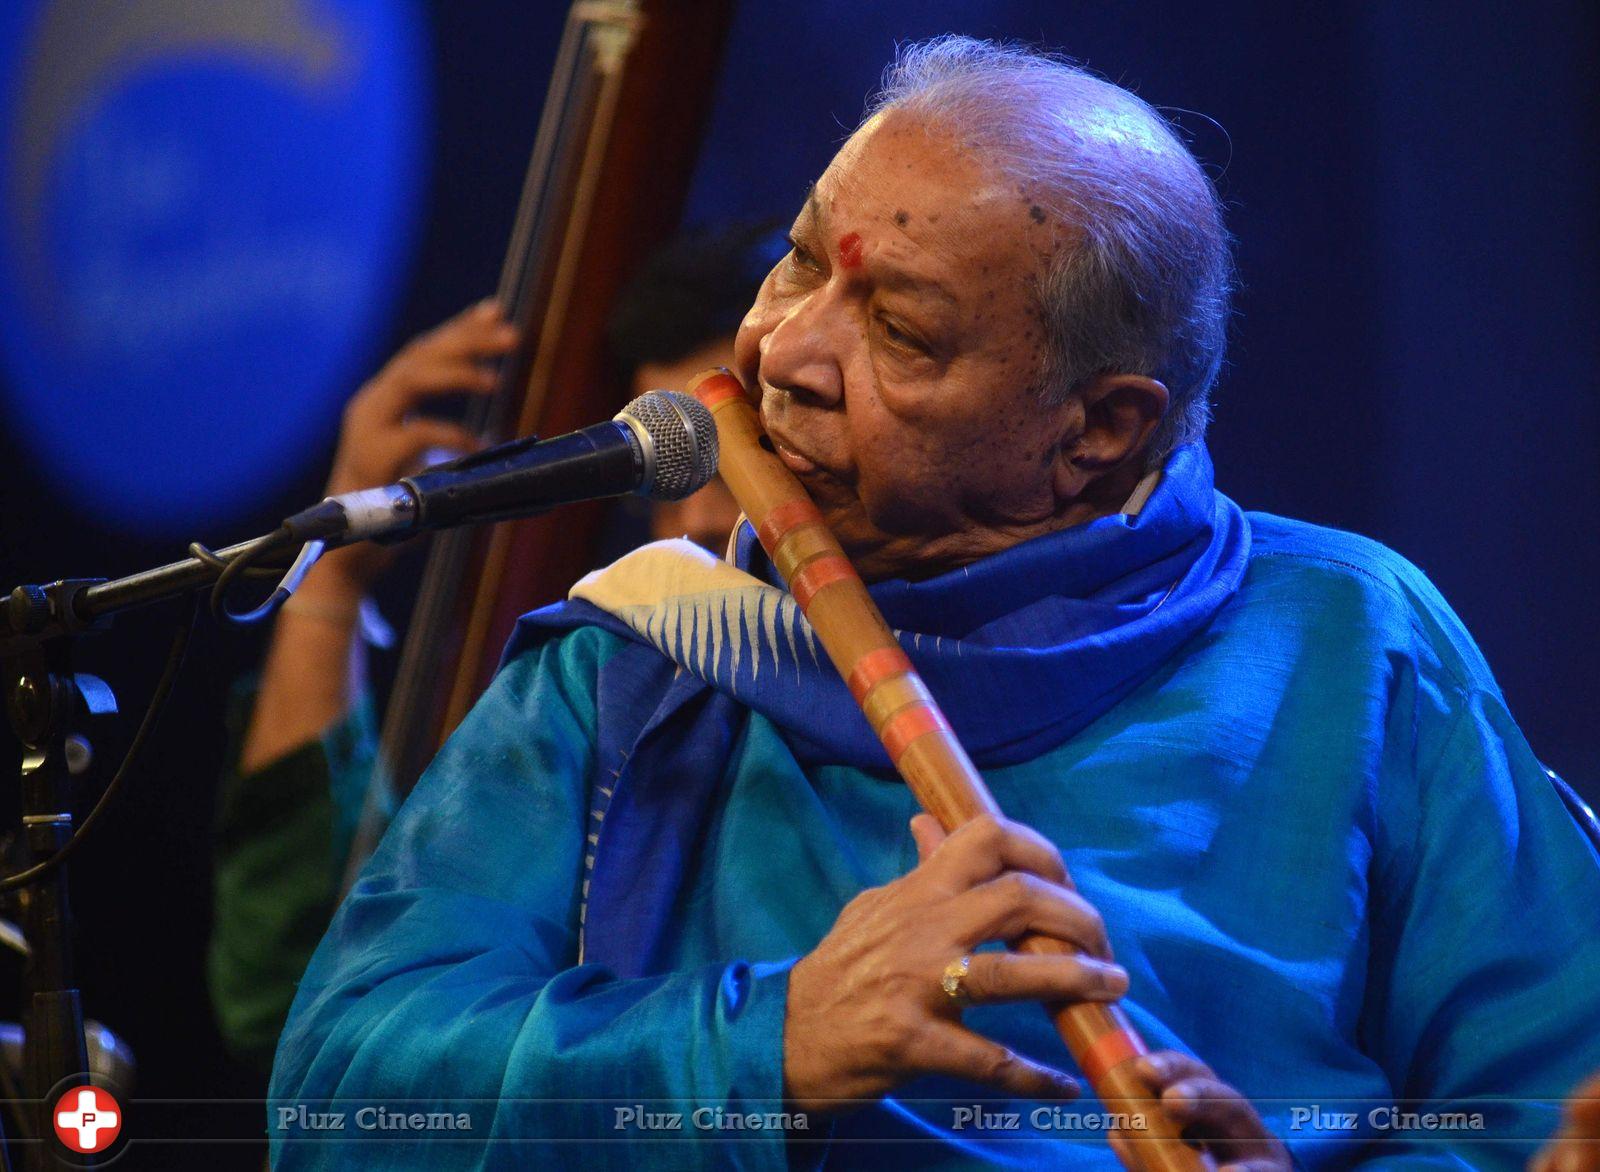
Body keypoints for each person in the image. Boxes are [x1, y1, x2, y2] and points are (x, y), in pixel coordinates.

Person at [265, 37, 1600, 1170]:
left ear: (1097, 431)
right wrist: (772, 1040)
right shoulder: (643, 658)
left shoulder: (1352, 639)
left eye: (900, 332)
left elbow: (1547, 1107)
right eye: (797, 263)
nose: (784, 351)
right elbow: (334, 1098)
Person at [206, 224, 779, 1072]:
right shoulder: (596, 681)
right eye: (674, 473)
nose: (694, 516)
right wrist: (331, 580)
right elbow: (277, 996)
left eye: (734, 456)